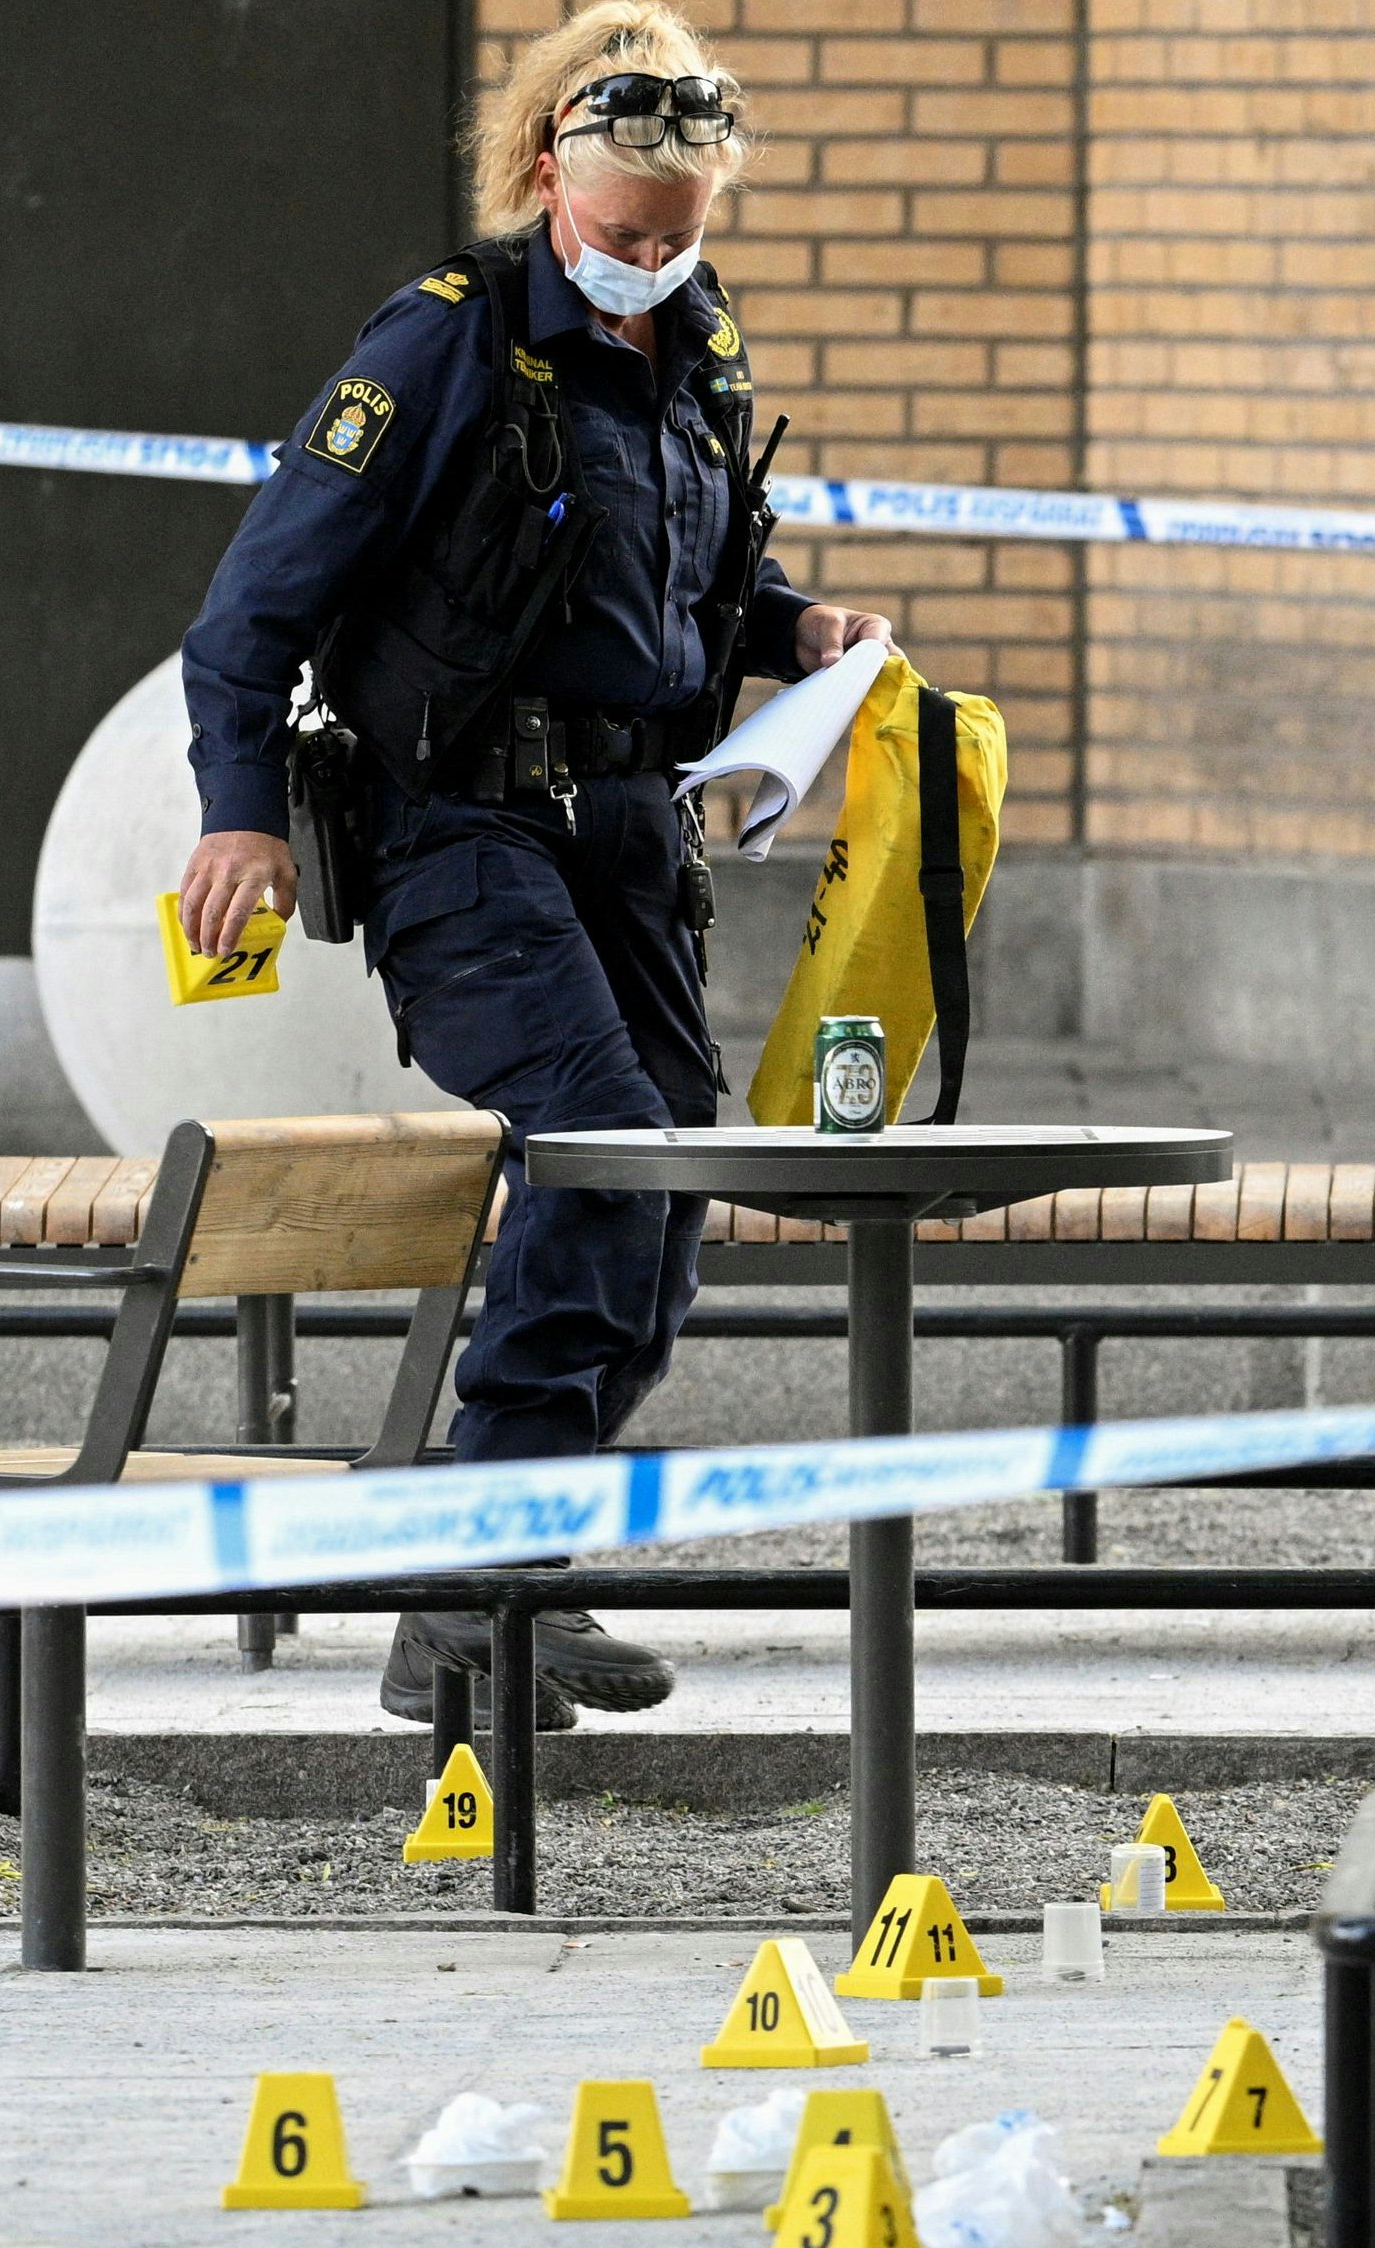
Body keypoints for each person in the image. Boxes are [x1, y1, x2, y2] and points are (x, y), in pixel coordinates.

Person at [174, 2, 896, 1728]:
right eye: (621, 230)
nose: (648, 259)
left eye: (678, 230)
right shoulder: (445, 338)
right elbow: (250, 611)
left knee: (664, 1196)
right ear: (549, 174)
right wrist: (238, 810)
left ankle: (490, 1572)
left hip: (634, 837)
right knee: (598, 1134)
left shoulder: (702, 348)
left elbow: (692, 582)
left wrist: (800, 631)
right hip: (459, 829)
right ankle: (479, 1573)